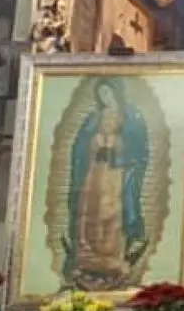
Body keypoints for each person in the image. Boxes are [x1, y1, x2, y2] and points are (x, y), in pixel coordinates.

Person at [64, 78, 149, 287]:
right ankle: (87, 254)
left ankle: (113, 256)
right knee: (89, 209)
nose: (105, 98)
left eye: (108, 93)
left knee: (110, 211)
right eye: (101, 94)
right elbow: (79, 147)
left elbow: (138, 150)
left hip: (116, 174)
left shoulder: (130, 118)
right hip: (94, 172)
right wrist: (94, 145)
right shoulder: (93, 119)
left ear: (116, 93)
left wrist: (116, 147)